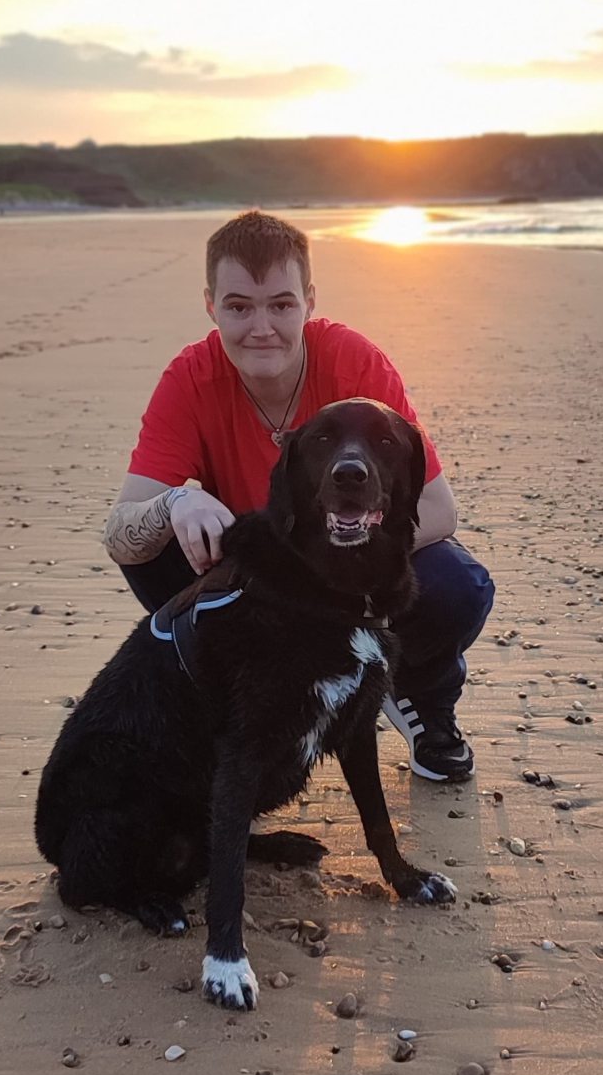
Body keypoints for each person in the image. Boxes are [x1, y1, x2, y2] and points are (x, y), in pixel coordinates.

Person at [103, 210, 493, 782]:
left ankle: (417, 698)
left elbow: (439, 510)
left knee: (457, 585)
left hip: (351, 563)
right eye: (239, 307)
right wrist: (175, 504)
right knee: (155, 546)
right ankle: (237, 711)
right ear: (211, 305)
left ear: (308, 300)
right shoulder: (190, 379)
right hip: (255, 583)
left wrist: (333, 557)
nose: (262, 327)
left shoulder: (354, 363)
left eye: (281, 305)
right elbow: (119, 534)